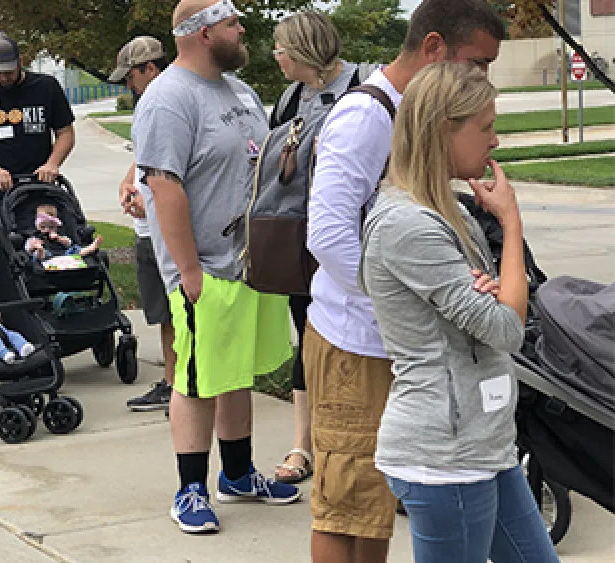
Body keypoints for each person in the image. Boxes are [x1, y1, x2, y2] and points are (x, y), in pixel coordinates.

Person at [304, 1, 504, 561]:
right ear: (434, 47)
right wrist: (400, 302)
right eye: (476, 62)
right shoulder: (367, 116)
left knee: (374, 512)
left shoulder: (411, 113)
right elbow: (328, 234)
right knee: (347, 507)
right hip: (356, 340)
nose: (480, 77)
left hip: (395, 344)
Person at [360, 61, 559, 563]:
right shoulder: (408, 226)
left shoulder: (451, 210)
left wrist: (498, 298)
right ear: (442, 129)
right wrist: (510, 223)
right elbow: (507, 328)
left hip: (485, 444)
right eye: (485, 127)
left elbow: (503, 307)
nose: (495, 140)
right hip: (443, 459)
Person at [133, 0, 300, 535]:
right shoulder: (168, 99)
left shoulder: (239, 91)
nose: (242, 29)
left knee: (234, 372)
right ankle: (190, 489)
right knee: (197, 378)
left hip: (249, 264)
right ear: (203, 33)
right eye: (231, 23)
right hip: (204, 268)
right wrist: (188, 271)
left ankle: (238, 474)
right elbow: (164, 186)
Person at [266, 11, 360, 485]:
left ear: (302, 50)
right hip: (301, 239)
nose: (276, 57)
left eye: (281, 49)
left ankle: (359, 446)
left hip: (356, 238)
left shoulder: (363, 87)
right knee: (307, 335)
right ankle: (304, 444)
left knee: (361, 340)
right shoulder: (290, 98)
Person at [110, 36, 175, 412]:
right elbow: (143, 157)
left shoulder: (169, 105)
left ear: (150, 68)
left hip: (166, 229)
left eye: (130, 77)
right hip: (146, 231)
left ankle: (187, 384)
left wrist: (151, 206)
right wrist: (128, 180)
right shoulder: (148, 107)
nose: (128, 86)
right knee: (164, 315)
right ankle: (172, 381)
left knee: (181, 312)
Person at [0, 32, 76, 212]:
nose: (4, 78)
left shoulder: (46, 87)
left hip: (39, 185)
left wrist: (52, 163)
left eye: (9, 72)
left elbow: (65, 133)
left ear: (20, 63)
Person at [24, 204, 101, 261]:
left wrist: (58, 238)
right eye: (43, 227)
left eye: (51, 227)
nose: (47, 230)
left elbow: (68, 243)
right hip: (47, 257)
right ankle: (40, 250)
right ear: (37, 226)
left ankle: (90, 248)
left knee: (74, 249)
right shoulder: (35, 237)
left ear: (56, 226)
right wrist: (34, 246)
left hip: (64, 255)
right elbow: (27, 248)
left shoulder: (59, 234)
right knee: (37, 255)